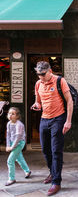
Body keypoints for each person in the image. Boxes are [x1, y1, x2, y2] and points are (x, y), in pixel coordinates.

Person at [31, 61, 73, 196]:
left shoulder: (60, 81)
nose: (40, 77)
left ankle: (56, 181)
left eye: (43, 74)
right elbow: (38, 101)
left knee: (56, 151)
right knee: (45, 150)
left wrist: (68, 121)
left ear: (49, 71)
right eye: (38, 74)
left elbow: (69, 101)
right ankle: (52, 172)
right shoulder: (38, 84)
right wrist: (37, 105)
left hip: (58, 119)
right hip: (44, 119)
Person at [5, 107, 31, 186]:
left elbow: (18, 137)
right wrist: (8, 145)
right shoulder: (9, 123)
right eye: (9, 113)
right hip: (13, 143)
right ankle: (27, 171)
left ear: (17, 116)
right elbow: (8, 135)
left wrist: (12, 148)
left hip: (19, 143)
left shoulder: (19, 125)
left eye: (13, 114)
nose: (10, 115)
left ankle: (11, 179)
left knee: (10, 160)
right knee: (19, 158)